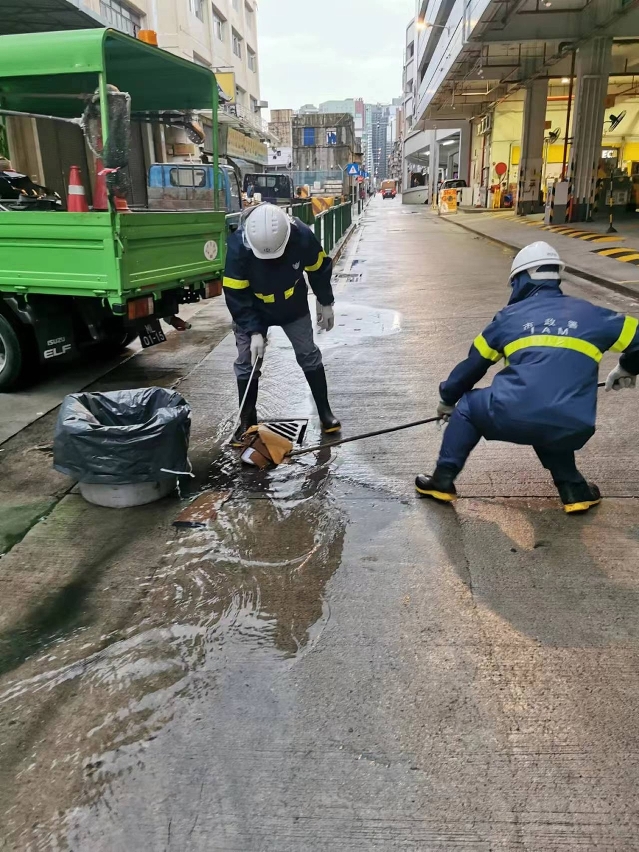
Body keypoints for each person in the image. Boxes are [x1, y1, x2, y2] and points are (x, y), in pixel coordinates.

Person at [415, 241, 639, 513]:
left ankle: (442, 481)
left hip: (513, 414)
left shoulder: (508, 318)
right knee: (552, 417)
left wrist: (448, 399)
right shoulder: (593, 314)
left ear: (521, 280)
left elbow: (472, 366)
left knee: (469, 407)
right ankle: (574, 490)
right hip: (574, 423)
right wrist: (628, 367)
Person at [223, 202, 340, 445]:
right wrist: (253, 331)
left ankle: (325, 412)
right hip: (253, 307)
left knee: (308, 354)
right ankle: (247, 422)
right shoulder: (239, 246)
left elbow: (319, 268)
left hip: (291, 304)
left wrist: (326, 301)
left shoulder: (301, 237)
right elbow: (236, 294)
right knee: (247, 363)